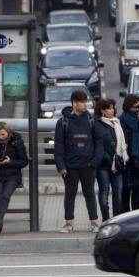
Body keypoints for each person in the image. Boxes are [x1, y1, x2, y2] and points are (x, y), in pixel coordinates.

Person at [54, 90, 102, 233]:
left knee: (90, 193)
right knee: (70, 194)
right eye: (82, 102)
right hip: (70, 166)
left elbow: (99, 142)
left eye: (85, 101)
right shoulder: (63, 121)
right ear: (74, 103)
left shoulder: (92, 120)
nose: (85, 104)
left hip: (88, 165)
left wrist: (95, 162)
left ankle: (94, 222)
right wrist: (61, 166)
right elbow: (58, 145)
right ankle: (69, 223)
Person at [93, 98, 127, 221]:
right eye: (109, 108)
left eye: (112, 108)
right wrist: (106, 157)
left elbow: (121, 143)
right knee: (104, 193)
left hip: (117, 164)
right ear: (102, 110)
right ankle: (106, 219)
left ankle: (116, 220)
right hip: (103, 165)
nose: (111, 111)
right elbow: (98, 144)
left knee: (118, 193)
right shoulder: (96, 124)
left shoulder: (116, 123)